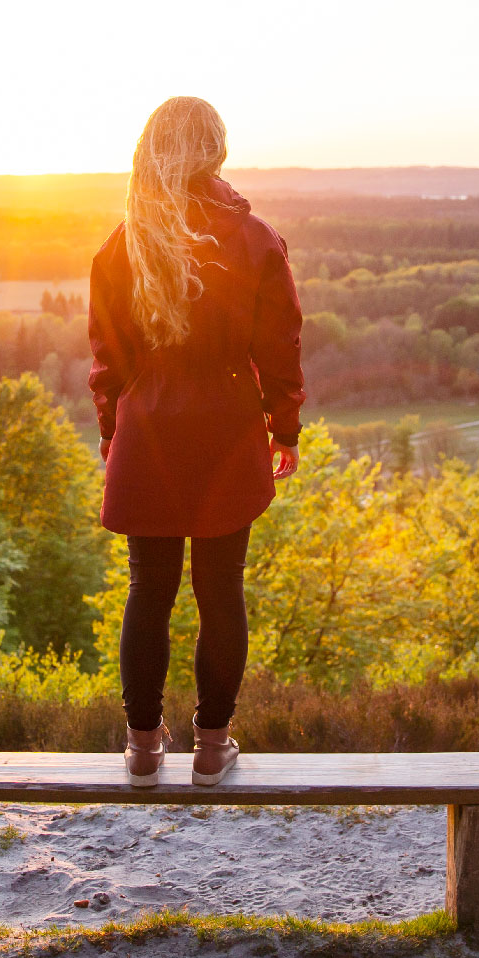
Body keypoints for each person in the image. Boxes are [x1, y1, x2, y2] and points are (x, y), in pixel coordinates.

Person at [88, 96, 305, 788]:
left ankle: (143, 750)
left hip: (147, 427)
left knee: (147, 590)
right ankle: (212, 749)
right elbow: (281, 347)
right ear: (216, 148)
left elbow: (107, 361)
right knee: (221, 591)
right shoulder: (255, 238)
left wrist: (111, 433)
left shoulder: (122, 242)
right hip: (227, 424)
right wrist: (285, 429)